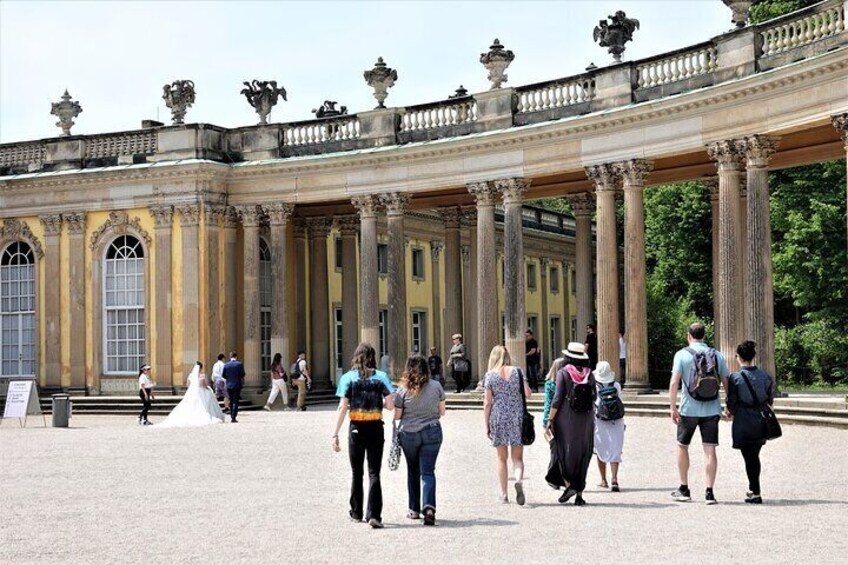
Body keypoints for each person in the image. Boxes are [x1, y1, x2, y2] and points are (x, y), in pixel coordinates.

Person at [332, 343, 395, 529]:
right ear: (372, 357)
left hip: (356, 429)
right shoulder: (381, 377)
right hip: (375, 428)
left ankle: (356, 512)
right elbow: (390, 405)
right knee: (374, 472)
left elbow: (343, 407)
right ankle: (374, 514)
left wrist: (334, 434)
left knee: (356, 472)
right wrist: (377, 404)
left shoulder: (348, 378)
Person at [669, 322, 730, 505]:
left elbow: (674, 383)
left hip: (688, 409)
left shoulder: (681, 355)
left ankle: (684, 488)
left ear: (689, 335)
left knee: (682, 446)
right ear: (704, 335)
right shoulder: (717, 355)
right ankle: (709, 492)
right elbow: (726, 380)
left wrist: (673, 407)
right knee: (710, 450)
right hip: (712, 408)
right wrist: (728, 404)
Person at [394, 353, 446, 526]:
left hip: (409, 433)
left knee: (413, 470)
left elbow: (397, 415)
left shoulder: (402, 390)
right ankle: (429, 508)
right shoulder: (436, 386)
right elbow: (442, 411)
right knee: (428, 471)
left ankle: (414, 509)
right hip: (432, 431)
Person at [545, 342, 596, 506]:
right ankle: (579, 495)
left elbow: (557, 398)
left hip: (566, 419)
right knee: (583, 453)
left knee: (565, 452)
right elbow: (594, 396)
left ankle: (569, 486)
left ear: (568, 357)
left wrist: (550, 419)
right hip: (587, 418)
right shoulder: (590, 373)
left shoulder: (563, 373)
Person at [726, 340, 774, 504]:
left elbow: (731, 402)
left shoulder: (735, 377)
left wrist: (729, 411)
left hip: (744, 421)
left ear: (738, 357)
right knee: (754, 455)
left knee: (750, 456)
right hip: (760, 420)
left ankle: (756, 491)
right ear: (754, 357)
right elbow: (769, 400)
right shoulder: (765, 376)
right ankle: (754, 488)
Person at [483, 345, 531, 505]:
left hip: (498, 416)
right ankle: (518, 480)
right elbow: (528, 394)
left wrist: (486, 424)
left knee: (501, 458)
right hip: (517, 415)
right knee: (517, 457)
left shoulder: (490, 375)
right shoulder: (517, 371)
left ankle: (503, 494)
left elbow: (487, 402)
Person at [158, 362, 225, 427]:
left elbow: (188, 384)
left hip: (192, 392)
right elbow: (203, 385)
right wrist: (208, 388)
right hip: (201, 391)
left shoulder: (191, 375)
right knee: (205, 404)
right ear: (201, 368)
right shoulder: (201, 375)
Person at [593, 361, 625, 492]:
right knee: (615, 449)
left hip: (600, 419)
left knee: (601, 449)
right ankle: (615, 479)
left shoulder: (595, 386)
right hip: (616, 421)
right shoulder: (616, 385)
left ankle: (603, 480)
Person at [542, 357, 566, 430]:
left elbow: (548, 403)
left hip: (554, 416)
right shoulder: (568, 382)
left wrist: (546, 420)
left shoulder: (549, 384)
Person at [222, 351, 246, 423]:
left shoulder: (226, 365)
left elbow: (223, 375)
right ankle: (233, 416)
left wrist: (229, 378)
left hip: (229, 384)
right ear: (236, 356)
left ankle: (231, 415)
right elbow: (242, 374)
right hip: (237, 384)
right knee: (235, 401)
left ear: (230, 356)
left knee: (231, 400)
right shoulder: (239, 364)